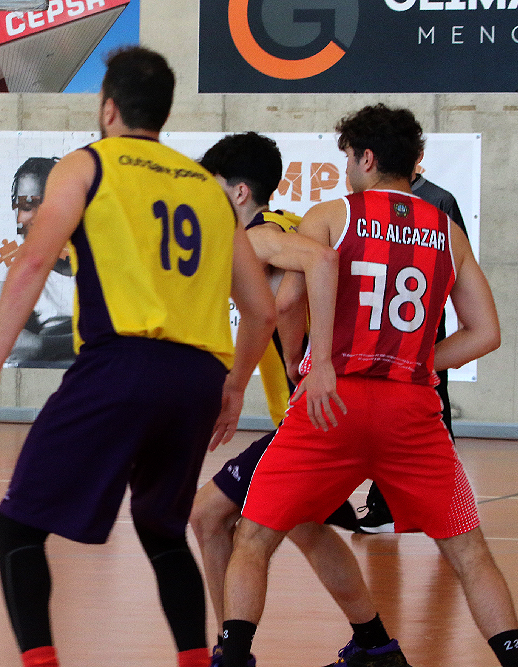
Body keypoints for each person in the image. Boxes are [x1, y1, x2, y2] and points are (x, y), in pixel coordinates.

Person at [0, 47, 277, 667]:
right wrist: (234, 387)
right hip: (199, 380)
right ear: (164, 111)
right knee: (161, 529)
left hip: (121, 365)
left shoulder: (87, 165)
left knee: (15, 528)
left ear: (108, 108)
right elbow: (261, 311)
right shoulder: (209, 192)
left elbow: (31, 264)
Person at [219, 104, 518, 667]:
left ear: (366, 157)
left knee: (254, 539)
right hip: (412, 409)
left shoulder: (332, 216)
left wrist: (299, 364)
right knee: (469, 553)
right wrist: (417, 362)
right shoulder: (447, 231)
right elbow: (485, 333)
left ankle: (233, 654)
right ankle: (513, 659)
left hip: (332, 402)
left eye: (347, 157)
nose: (345, 170)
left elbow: (286, 303)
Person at [190, 132, 403, 667]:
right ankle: (375, 645)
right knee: (309, 529)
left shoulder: (259, 238)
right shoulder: (281, 222)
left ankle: (229, 652)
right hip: (332, 416)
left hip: (311, 417)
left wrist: (296, 359)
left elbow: (307, 275)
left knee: (209, 516)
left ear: (240, 193)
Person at [357, 157, 470, 533]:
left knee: (432, 409)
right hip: (373, 326)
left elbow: (459, 264)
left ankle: (443, 504)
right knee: (377, 409)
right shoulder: (356, 204)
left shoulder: (440, 201)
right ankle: (382, 502)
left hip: (420, 326)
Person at [0, 156, 75, 368]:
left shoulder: (96, 257)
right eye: (26, 207)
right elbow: (16, 344)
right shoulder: (9, 262)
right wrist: (89, 339)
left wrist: (45, 341)